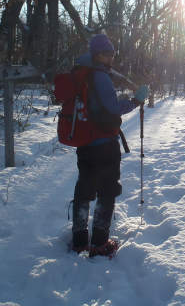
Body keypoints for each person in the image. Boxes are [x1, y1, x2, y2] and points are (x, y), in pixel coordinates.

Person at [71, 33, 149, 257]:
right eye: (107, 53)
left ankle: (79, 239)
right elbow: (113, 108)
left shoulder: (81, 73)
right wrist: (136, 101)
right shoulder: (99, 76)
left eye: (112, 53)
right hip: (104, 143)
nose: (111, 57)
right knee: (107, 190)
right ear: (98, 54)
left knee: (84, 188)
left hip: (85, 142)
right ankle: (99, 242)